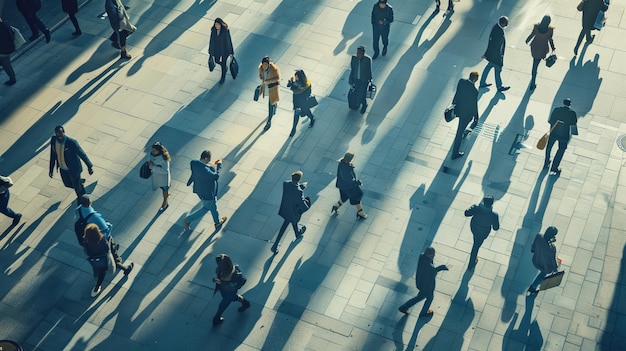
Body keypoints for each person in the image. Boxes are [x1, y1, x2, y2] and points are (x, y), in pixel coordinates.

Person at [76, 195, 133, 276]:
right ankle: (124, 268)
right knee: (111, 253)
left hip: (87, 240)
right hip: (99, 241)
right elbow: (106, 230)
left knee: (93, 255)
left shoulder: (78, 210)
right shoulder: (95, 216)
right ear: (90, 203)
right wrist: (109, 226)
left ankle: (96, 272)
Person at [83, 223, 134, 297]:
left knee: (97, 268)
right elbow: (107, 249)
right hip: (104, 259)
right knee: (105, 270)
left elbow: (86, 251)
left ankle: (96, 275)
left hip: (94, 259)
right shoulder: (102, 240)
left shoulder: (86, 241)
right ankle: (97, 288)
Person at [399, 247, 449, 318]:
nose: (434, 256)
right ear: (430, 255)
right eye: (433, 255)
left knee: (420, 297)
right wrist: (442, 267)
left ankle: (404, 307)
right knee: (429, 298)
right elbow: (433, 271)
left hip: (422, 283)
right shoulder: (428, 264)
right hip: (427, 286)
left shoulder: (422, 257)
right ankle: (422, 313)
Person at [183, 150, 227, 231]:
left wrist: (189, 181)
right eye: (209, 159)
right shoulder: (206, 170)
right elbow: (216, 176)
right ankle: (188, 220)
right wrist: (218, 166)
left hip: (199, 190)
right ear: (206, 158)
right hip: (208, 193)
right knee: (206, 208)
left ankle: (217, 223)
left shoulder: (194, 163)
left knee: (213, 206)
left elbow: (195, 173)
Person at [49, 126, 94, 201]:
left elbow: (82, 154)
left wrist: (89, 166)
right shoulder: (53, 140)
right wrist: (51, 170)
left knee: (78, 188)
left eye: (61, 134)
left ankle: (83, 200)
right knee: (67, 184)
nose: (60, 136)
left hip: (73, 168)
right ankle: (79, 183)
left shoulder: (71, 142)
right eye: (58, 134)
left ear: (64, 132)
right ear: (55, 134)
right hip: (63, 169)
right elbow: (53, 155)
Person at [270, 171, 310, 255]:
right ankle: (275, 245)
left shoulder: (286, 184)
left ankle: (297, 233)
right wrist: (307, 202)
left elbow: (293, 190)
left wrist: (300, 186)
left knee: (289, 222)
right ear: (299, 180)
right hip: (293, 211)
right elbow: (302, 203)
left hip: (286, 209)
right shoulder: (299, 192)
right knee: (287, 224)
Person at [212, 254, 250, 326]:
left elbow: (225, 282)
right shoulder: (226, 269)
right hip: (227, 290)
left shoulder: (230, 273)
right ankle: (245, 303)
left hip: (229, 291)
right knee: (233, 297)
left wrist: (218, 281)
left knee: (224, 304)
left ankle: (216, 318)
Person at [464, 195, 500, 270]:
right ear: (492, 203)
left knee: (476, 243)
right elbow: (496, 228)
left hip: (474, 228)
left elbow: (466, 213)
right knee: (476, 246)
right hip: (483, 233)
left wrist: (473, 207)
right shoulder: (494, 215)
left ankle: (473, 259)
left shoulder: (477, 208)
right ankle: (471, 264)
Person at [544, 98, 578, 176]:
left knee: (549, 147)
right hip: (564, 134)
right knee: (561, 150)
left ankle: (546, 162)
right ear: (570, 104)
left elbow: (550, 121)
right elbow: (573, 123)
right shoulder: (572, 113)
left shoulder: (557, 110)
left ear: (563, 103)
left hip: (554, 132)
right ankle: (554, 167)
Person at [451, 71, 479, 160]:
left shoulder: (462, 81)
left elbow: (457, 93)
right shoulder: (474, 91)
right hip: (466, 114)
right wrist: (476, 116)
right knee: (459, 132)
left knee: (461, 129)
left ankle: (463, 133)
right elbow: (474, 104)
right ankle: (455, 153)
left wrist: (454, 103)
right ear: (475, 79)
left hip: (459, 109)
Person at [331, 152, 367, 219]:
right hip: (348, 187)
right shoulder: (345, 168)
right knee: (356, 198)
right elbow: (348, 180)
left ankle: (336, 206)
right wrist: (357, 182)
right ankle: (360, 212)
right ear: (349, 159)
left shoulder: (343, 164)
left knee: (344, 197)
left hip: (343, 186)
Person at [479, 16, 510, 92]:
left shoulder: (496, 27)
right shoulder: (499, 31)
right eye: (505, 24)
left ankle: (483, 82)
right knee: (497, 69)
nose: (506, 26)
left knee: (489, 68)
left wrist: (487, 54)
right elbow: (494, 45)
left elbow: (490, 42)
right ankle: (499, 86)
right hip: (496, 55)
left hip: (493, 55)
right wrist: (499, 56)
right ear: (502, 23)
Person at [525, 15, 555, 91]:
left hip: (535, 47)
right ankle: (533, 82)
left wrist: (527, 40)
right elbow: (550, 39)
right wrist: (553, 48)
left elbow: (532, 34)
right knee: (536, 64)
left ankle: (533, 81)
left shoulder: (536, 27)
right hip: (543, 49)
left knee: (534, 64)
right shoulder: (550, 30)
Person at [527, 227, 559, 296]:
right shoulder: (552, 247)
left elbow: (533, 248)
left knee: (543, 273)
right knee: (543, 273)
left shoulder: (539, 236)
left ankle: (534, 287)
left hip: (536, 260)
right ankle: (532, 288)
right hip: (545, 265)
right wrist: (556, 268)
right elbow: (553, 259)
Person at [287, 69, 315, 137]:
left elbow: (308, 92)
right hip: (297, 102)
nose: (295, 78)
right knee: (296, 115)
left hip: (303, 102)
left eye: (296, 77)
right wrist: (291, 82)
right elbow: (289, 86)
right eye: (295, 76)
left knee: (307, 112)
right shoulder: (295, 83)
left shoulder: (305, 84)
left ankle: (312, 118)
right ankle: (293, 129)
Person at [208, 18, 234, 84]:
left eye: (218, 25)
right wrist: (210, 50)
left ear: (221, 24)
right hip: (217, 49)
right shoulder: (213, 30)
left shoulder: (225, 31)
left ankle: (223, 77)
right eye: (216, 25)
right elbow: (211, 40)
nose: (217, 26)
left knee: (223, 62)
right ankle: (224, 66)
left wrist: (231, 52)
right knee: (216, 60)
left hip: (224, 50)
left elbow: (228, 41)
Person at [259, 56, 281, 131]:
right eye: (263, 65)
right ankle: (275, 104)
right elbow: (261, 76)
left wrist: (268, 81)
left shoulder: (274, 69)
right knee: (272, 102)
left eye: (266, 65)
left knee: (270, 104)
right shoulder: (261, 68)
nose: (264, 66)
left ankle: (269, 122)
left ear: (268, 64)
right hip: (266, 87)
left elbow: (278, 78)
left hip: (273, 88)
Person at [349, 46, 373, 114]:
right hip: (356, 79)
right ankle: (358, 103)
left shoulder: (367, 60)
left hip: (364, 80)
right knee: (357, 93)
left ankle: (364, 105)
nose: (358, 55)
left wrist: (370, 79)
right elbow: (352, 70)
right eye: (357, 53)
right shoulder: (354, 59)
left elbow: (369, 70)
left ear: (363, 53)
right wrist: (351, 81)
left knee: (362, 94)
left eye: (360, 53)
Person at [148, 142, 171, 210]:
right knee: (162, 188)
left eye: (154, 150)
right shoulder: (152, 154)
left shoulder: (164, 159)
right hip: (156, 177)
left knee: (165, 189)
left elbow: (165, 171)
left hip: (163, 178)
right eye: (152, 150)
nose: (152, 151)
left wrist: (153, 167)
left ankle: (165, 202)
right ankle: (166, 196)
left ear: (159, 151)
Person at [0, 18, 17, 86]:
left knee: (6, 65)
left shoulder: (1, 28)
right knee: (6, 64)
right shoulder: (5, 25)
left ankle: (12, 79)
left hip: (3, 50)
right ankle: (12, 78)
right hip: (7, 48)